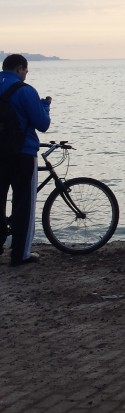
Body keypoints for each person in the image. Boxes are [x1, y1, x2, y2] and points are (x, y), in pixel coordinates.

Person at [0, 54, 51, 267]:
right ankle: (20, 254)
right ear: (20, 68)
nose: (25, 75)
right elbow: (42, 124)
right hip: (22, 154)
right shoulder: (25, 91)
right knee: (23, 205)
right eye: (26, 71)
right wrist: (45, 107)